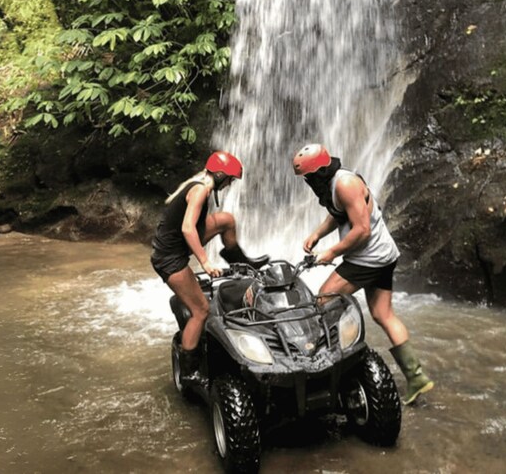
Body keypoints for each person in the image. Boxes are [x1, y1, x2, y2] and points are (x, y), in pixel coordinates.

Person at [293, 143, 434, 404]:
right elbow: (339, 213)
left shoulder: (345, 184)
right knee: (383, 314)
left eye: (309, 176)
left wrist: (331, 253)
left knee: (324, 299)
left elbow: (362, 230)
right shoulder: (334, 184)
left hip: (368, 258)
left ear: (321, 171)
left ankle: (332, 370)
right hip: (383, 256)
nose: (308, 182)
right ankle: (416, 378)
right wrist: (316, 234)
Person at [152, 151, 268, 384]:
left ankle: (240, 262)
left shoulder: (201, 184)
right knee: (201, 310)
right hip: (170, 259)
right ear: (221, 175)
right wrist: (205, 261)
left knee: (226, 220)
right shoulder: (201, 190)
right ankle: (189, 373)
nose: (230, 184)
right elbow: (187, 228)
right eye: (230, 179)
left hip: (175, 248)